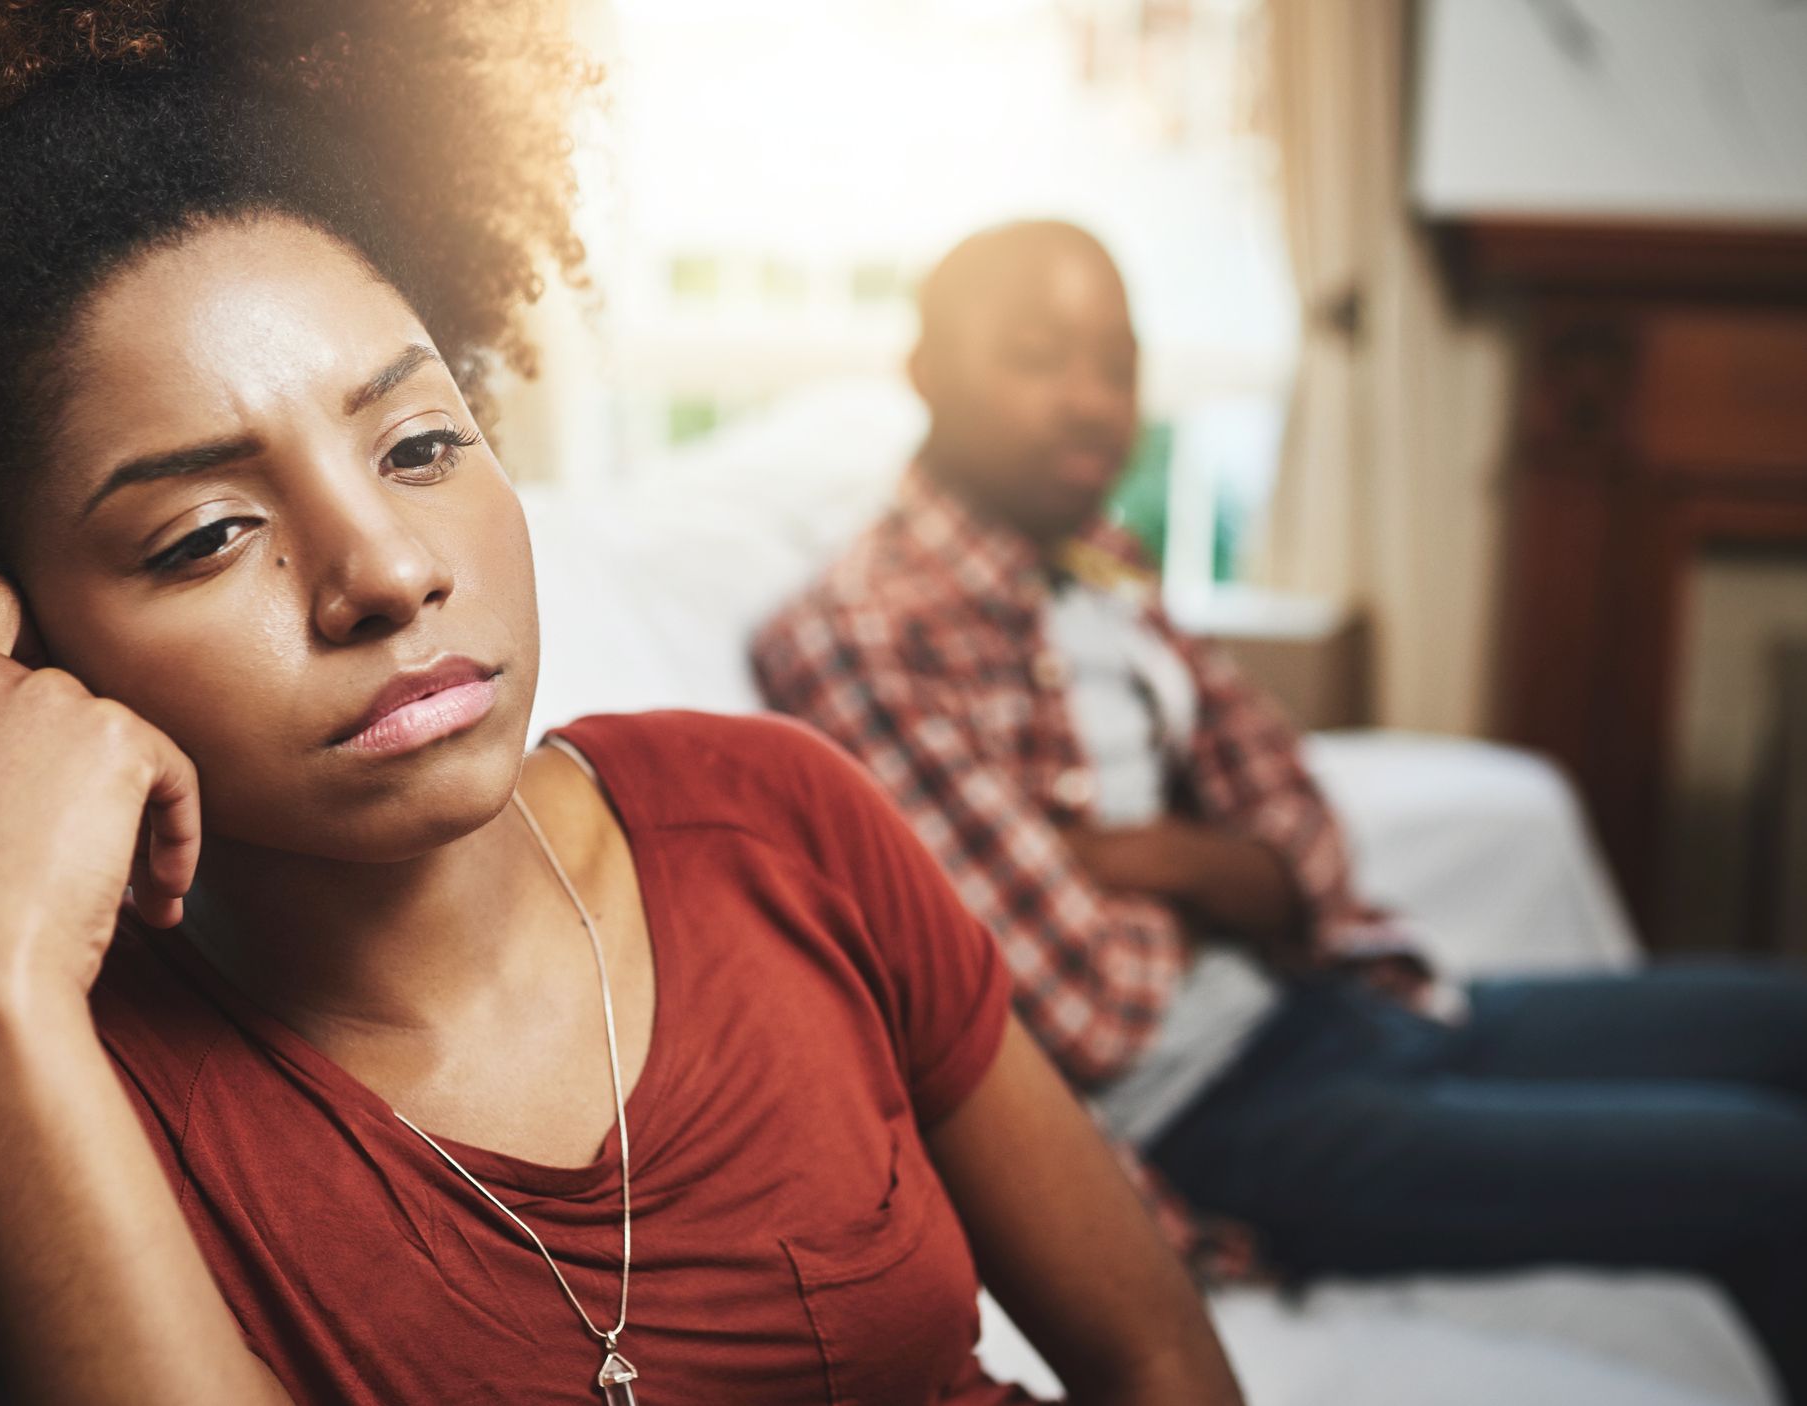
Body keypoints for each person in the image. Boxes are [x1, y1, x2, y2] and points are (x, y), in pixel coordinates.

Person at [0, 8, 1244, 1405]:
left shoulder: (778, 816)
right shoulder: (91, 1094)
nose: (384, 570)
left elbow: (1156, 1355)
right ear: (20, 648)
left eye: (421, 444)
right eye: (206, 533)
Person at [752, 218, 1807, 1400]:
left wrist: (1175, 863)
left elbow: (1302, 820)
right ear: (927, 371)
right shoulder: (864, 632)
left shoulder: (1102, 562)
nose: (1093, 401)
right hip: (1229, 1118)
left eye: (1118, 361)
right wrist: (1238, 879)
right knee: (1777, 1170)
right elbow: (1088, 1005)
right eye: (1039, 355)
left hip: (1351, 997)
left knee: (1788, 1017)